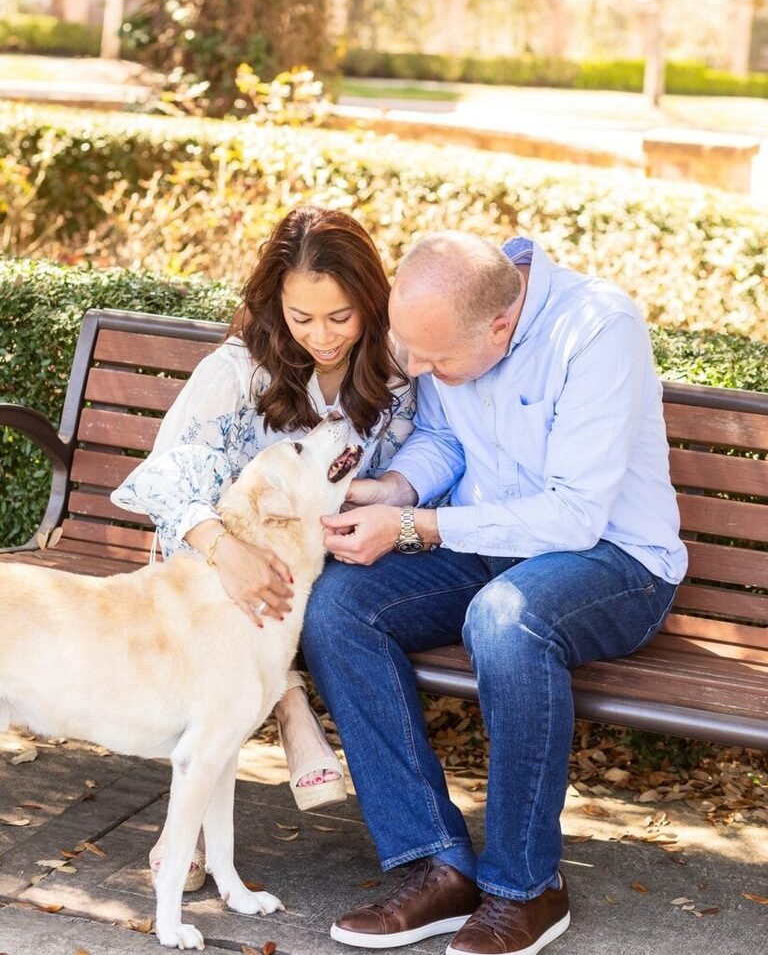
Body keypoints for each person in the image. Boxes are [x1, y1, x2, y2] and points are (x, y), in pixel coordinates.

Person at [300, 232, 688, 955]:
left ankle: (526, 886)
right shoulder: (456, 309)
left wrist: (415, 525)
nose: (416, 370)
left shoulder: (599, 329)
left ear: (500, 328)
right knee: (338, 607)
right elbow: (445, 440)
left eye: (435, 359)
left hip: (615, 562)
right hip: (489, 548)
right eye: (409, 349)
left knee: (507, 621)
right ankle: (438, 862)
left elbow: (574, 513)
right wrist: (392, 489)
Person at [111, 204, 415, 889]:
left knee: (327, 601)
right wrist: (225, 551)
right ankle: (282, 707)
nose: (321, 337)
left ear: (371, 298)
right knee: (235, 608)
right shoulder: (241, 367)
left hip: (340, 562)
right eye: (302, 317)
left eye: (341, 316)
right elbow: (162, 479)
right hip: (219, 557)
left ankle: (284, 694)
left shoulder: (399, 374)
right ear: (277, 302)